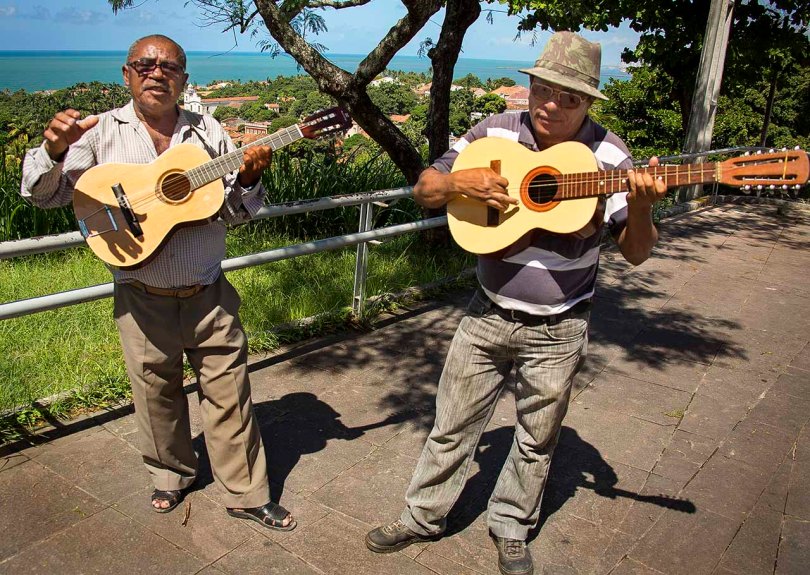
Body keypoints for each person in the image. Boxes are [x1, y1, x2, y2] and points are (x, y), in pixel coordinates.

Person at [365, 31, 667, 575]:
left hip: (560, 327)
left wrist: (641, 207)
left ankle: (510, 527)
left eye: (569, 97)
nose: (551, 104)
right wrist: (460, 180)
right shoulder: (495, 132)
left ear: (588, 103)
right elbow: (425, 188)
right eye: (543, 89)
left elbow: (638, 253)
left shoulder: (610, 157)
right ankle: (421, 516)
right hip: (486, 312)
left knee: (536, 440)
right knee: (452, 423)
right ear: (530, 86)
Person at [20, 34, 295, 531]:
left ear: (184, 80)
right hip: (140, 294)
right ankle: (171, 474)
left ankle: (247, 491)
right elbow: (43, 197)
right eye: (144, 64)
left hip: (209, 292)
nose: (156, 72)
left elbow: (233, 213)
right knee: (155, 394)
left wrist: (251, 180)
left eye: (169, 66)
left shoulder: (209, 132)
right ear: (127, 74)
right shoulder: (100, 132)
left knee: (230, 392)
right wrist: (52, 150)